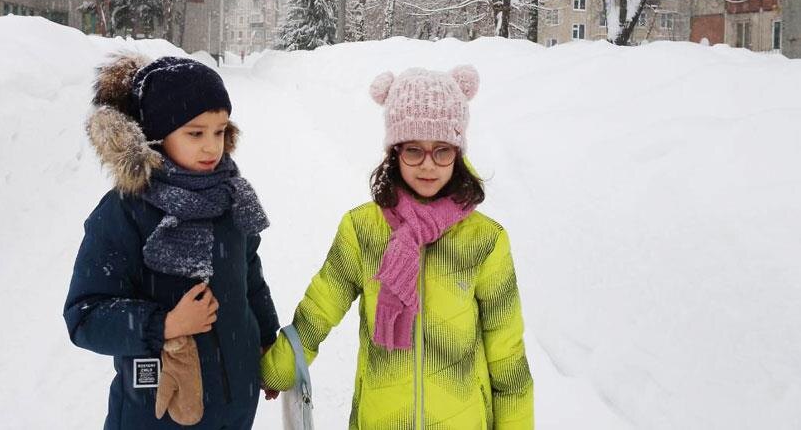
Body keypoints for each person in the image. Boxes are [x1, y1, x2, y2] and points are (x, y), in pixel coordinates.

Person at [260, 65, 533, 429]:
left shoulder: (485, 240)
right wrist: (276, 369)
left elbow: (507, 356)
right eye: (414, 150)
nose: (428, 165)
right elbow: (319, 309)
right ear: (394, 152)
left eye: (442, 151)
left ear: (458, 153)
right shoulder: (363, 229)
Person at [65, 54, 279, 429]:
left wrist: (264, 341)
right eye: (195, 134)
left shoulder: (230, 197)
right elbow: (85, 316)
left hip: (236, 406)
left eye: (220, 131)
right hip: (157, 413)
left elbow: (250, 277)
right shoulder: (127, 211)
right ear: (159, 135)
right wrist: (165, 325)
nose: (211, 147)